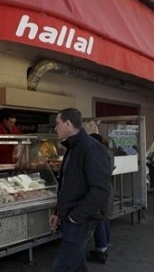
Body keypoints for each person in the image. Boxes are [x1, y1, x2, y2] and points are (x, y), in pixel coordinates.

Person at [49, 108, 111, 272]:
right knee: (77, 266)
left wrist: (75, 216)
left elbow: (101, 189)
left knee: (61, 267)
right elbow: (68, 185)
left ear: (68, 124)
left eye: (57, 123)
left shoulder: (91, 147)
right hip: (71, 217)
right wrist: (58, 213)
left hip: (80, 220)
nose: (55, 128)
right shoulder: (72, 147)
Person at [86, 133, 115, 264]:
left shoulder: (99, 153)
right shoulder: (108, 151)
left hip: (100, 189)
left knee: (98, 220)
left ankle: (100, 251)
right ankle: (105, 245)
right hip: (107, 187)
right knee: (105, 217)